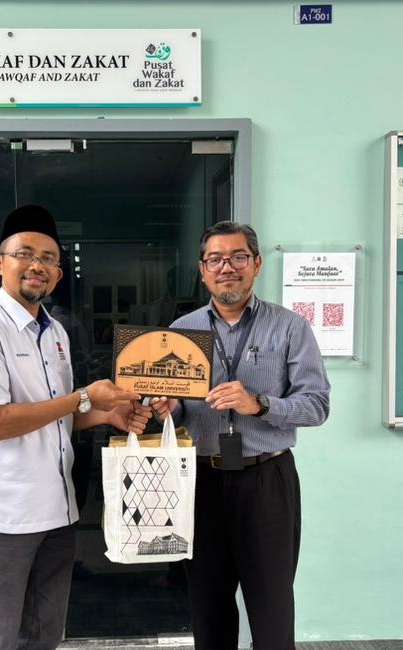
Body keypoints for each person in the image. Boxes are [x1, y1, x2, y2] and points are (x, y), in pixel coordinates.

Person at [0, 204, 151, 650]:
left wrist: (106, 415)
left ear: (58, 275)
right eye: (24, 254)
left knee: (44, 634)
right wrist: (82, 397)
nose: (37, 265)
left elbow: (57, 416)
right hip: (1, 515)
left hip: (58, 511)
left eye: (48, 259)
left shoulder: (56, 331)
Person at [151, 220, 330, 650]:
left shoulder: (290, 327)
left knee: (272, 611)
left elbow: (317, 405)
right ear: (202, 270)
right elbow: (179, 408)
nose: (226, 267)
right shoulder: (181, 330)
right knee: (209, 609)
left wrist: (260, 404)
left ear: (257, 264)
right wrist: (168, 409)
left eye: (237, 257)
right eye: (215, 259)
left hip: (266, 480)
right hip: (200, 480)